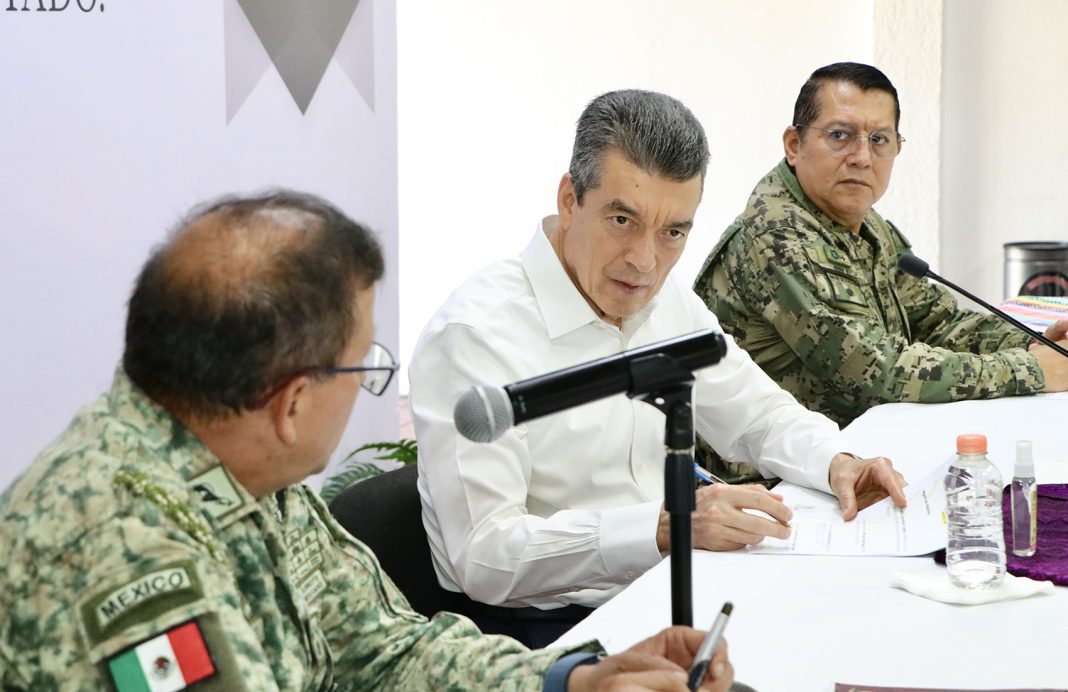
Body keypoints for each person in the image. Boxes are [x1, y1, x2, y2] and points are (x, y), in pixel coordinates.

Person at [0, 191, 734, 691]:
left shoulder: (246, 467)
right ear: (292, 404)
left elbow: (381, 648)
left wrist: (570, 679)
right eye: (364, 365)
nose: (368, 385)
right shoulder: (120, 548)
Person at [409, 89, 908, 645]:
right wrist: (662, 529)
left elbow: (756, 415)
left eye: (673, 232)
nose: (645, 262)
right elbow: (483, 556)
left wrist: (836, 461)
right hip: (544, 632)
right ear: (570, 200)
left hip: (672, 588)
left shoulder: (663, 302)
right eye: (622, 220)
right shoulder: (476, 336)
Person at [693, 62, 1068, 438]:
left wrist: (1035, 342)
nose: (862, 157)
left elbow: (935, 323)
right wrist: (1031, 370)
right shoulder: (778, 234)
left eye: (879, 140)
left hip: (849, 444)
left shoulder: (866, 225)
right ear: (794, 144)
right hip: (768, 465)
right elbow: (874, 372)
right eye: (840, 135)